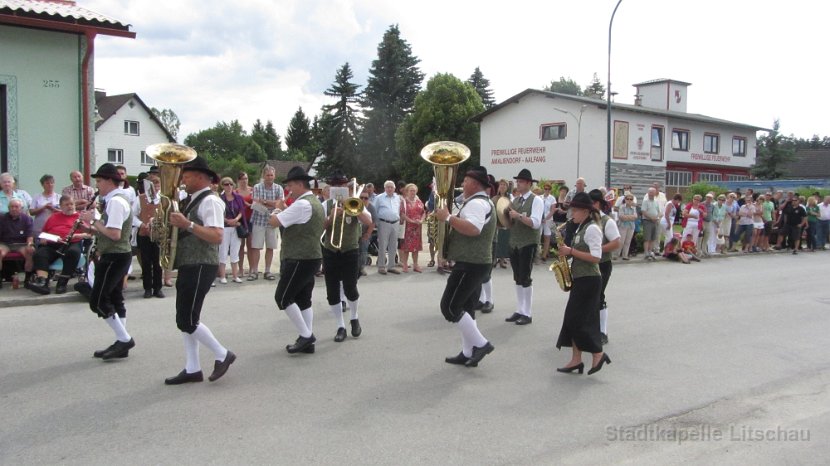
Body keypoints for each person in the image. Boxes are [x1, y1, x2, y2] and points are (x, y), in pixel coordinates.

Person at [163, 156, 235, 385]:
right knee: (185, 318)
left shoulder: (210, 201)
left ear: (201, 177)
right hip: (189, 262)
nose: (182, 178)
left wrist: (188, 225)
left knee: (187, 319)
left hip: (201, 263)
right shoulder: (191, 200)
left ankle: (222, 354)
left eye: (187, 174)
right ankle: (192, 368)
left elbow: (216, 236)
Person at [435, 166, 496, 367]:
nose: (462, 183)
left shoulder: (477, 204)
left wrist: (448, 218)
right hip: (476, 262)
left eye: (466, 181)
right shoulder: (478, 202)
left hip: (471, 263)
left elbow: (474, 229)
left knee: (450, 307)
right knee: (467, 308)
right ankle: (467, 351)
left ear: (475, 184)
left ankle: (481, 344)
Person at [78, 164, 135, 360]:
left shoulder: (116, 202)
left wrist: (93, 221)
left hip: (115, 256)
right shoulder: (114, 200)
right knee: (116, 298)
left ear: (110, 181)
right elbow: (109, 230)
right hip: (118, 255)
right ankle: (122, 343)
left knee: (98, 300)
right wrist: (91, 227)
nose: (97, 185)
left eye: (99, 181)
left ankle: (124, 338)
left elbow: (114, 234)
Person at [268, 166, 324, 354]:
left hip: (299, 258)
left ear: (300, 184)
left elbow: (274, 222)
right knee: (303, 299)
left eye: (291, 185)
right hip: (312, 256)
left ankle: (306, 336)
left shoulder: (302, 204)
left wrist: (276, 209)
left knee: (283, 297)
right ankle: (307, 339)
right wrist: (284, 209)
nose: (289, 189)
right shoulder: (314, 201)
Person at [554, 192, 611, 375]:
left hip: (590, 280)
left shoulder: (593, 228)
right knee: (573, 320)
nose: (572, 214)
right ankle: (576, 360)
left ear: (586, 211)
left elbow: (596, 257)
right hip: (581, 278)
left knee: (579, 320)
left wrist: (570, 251)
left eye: (575, 210)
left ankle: (598, 353)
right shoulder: (580, 228)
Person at [321, 171, 372, 342]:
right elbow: (320, 226)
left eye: (342, 185)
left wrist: (354, 209)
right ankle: (340, 325)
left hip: (350, 250)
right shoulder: (326, 204)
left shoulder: (355, 203)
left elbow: (368, 221)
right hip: (330, 251)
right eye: (335, 185)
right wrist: (331, 217)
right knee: (332, 291)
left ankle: (354, 317)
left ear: (347, 187)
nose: (339, 187)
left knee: (351, 288)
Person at [504, 168, 543, 326]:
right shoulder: (516, 200)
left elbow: (536, 223)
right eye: (518, 182)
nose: (518, 184)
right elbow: (509, 219)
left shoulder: (536, 200)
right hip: (515, 242)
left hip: (528, 243)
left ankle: (527, 312)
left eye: (520, 182)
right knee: (517, 278)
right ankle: (520, 309)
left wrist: (518, 216)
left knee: (525, 278)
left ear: (528, 183)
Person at [28, 195, 89, 295]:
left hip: (72, 242)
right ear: (60, 206)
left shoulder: (80, 217)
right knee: (40, 254)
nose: (70, 206)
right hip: (53, 243)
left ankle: (62, 283)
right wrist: (44, 238)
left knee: (73, 253)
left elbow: (89, 233)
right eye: (66, 205)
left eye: (71, 204)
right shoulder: (53, 217)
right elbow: (44, 232)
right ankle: (43, 282)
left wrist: (77, 235)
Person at [588, 190, 621, 345]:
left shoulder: (607, 221)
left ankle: (603, 331)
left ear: (596, 204)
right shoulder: (586, 220)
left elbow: (616, 242)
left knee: (599, 296)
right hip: (586, 263)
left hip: (602, 263)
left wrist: (597, 250)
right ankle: (590, 327)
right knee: (588, 297)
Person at [133, 169, 164, 299]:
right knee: (146, 262)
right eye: (153, 184)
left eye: (157, 184)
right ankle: (147, 288)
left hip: (159, 235)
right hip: (144, 233)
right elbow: (132, 215)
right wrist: (141, 224)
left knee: (158, 263)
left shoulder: (163, 199)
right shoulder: (140, 198)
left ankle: (158, 288)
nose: (156, 187)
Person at [248, 165, 284, 281]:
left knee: (270, 247)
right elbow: (256, 202)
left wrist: (264, 201)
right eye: (267, 175)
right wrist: (271, 203)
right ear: (264, 176)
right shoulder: (257, 187)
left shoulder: (279, 188)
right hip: (258, 220)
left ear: (274, 176)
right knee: (256, 247)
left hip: (272, 221)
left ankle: (267, 271)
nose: (269, 177)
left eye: (271, 175)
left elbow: (279, 204)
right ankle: (254, 271)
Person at [0, 198, 35, 287]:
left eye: (16, 206)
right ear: (8, 208)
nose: (14, 208)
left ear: (21, 208)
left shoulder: (27, 219)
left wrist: (29, 245)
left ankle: (27, 280)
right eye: (12, 207)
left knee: (30, 251)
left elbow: (30, 236)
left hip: (21, 244)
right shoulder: (2, 218)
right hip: (6, 244)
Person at [218, 176, 246, 283]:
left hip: (235, 227)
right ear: (222, 186)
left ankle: (235, 275)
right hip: (224, 227)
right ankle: (222, 276)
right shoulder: (220, 199)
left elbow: (242, 211)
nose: (228, 186)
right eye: (226, 184)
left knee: (235, 251)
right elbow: (218, 212)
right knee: (223, 251)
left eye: (230, 184)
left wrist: (236, 219)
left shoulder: (238, 197)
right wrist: (227, 220)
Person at [374, 180, 401, 275]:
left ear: (394, 188)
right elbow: (374, 211)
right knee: (382, 245)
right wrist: (377, 224)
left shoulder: (397, 198)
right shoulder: (379, 198)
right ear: (385, 188)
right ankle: (381, 267)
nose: (389, 189)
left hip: (395, 223)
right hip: (383, 223)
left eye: (391, 187)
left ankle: (391, 266)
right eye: (387, 187)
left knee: (394, 245)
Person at [399, 183, 425, 273]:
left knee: (416, 248)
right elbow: (402, 214)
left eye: (414, 190)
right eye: (411, 190)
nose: (413, 192)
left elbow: (423, 212)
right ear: (407, 191)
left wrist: (422, 220)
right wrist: (410, 220)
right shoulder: (404, 202)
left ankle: (415, 265)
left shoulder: (419, 201)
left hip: (417, 228)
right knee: (406, 247)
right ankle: (405, 264)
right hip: (408, 227)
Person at [29, 174, 61, 243]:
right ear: (42, 185)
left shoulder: (59, 197)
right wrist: (44, 207)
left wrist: (54, 209)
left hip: (54, 227)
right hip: (39, 227)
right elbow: (31, 212)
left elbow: (63, 212)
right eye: (47, 183)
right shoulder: (37, 197)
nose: (50, 185)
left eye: (52, 183)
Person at [235, 171, 254, 275]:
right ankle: (241, 269)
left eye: (246, 178)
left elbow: (256, 203)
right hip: (240, 220)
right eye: (242, 179)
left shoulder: (253, 190)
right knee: (240, 245)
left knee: (250, 245)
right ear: (238, 181)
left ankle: (251, 269)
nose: (244, 181)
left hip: (251, 219)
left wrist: (248, 204)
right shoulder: (235, 192)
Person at [494, 179, 513, 269]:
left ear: (507, 187)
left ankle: (502, 260)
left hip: (505, 222)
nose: (502, 186)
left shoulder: (509, 198)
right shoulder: (494, 198)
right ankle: (494, 259)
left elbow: (512, 210)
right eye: (501, 184)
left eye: (504, 185)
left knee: (504, 242)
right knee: (495, 242)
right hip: (495, 223)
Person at [358, 190, 376, 276]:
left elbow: (373, 222)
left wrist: (368, 234)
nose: (363, 199)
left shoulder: (371, 207)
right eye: (361, 197)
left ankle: (361, 268)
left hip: (365, 232)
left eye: (366, 198)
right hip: (355, 233)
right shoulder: (355, 204)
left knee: (363, 250)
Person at [640, 188, 661, 261]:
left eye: (652, 192)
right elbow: (643, 211)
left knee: (653, 238)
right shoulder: (645, 201)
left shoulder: (656, 201)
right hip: (647, 221)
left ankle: (650, 251)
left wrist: (657, 217)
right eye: (650, 192)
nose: (651, 194)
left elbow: (659, 211)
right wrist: (651, 218)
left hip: (655, 221)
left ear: (655, 193)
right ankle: (646, 252)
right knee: (647, 238)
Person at [616, 193, 637, 260]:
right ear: (625, 199)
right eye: (627, 199)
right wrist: (630, 217)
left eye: (631, 199)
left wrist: (626, 217)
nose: (629, 200)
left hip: (631, 226)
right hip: (622, 226)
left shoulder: (633, 208)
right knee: (621, 241)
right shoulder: (621, 207)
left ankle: (625, 255)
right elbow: (621, 217)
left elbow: (635, 217)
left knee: (628, 241)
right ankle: (616, 255)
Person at [540, 183, 558, 262]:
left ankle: (544, 255)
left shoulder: (552, 198)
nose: (546, 190)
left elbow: (552, 210)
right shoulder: (540, 197)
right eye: (545, 188)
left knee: (547, 237)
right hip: (540, 219)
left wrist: (546, 218)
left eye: (548, 189)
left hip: (548, 219)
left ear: (550, 190)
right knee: (538, 236)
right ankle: (537, 254)